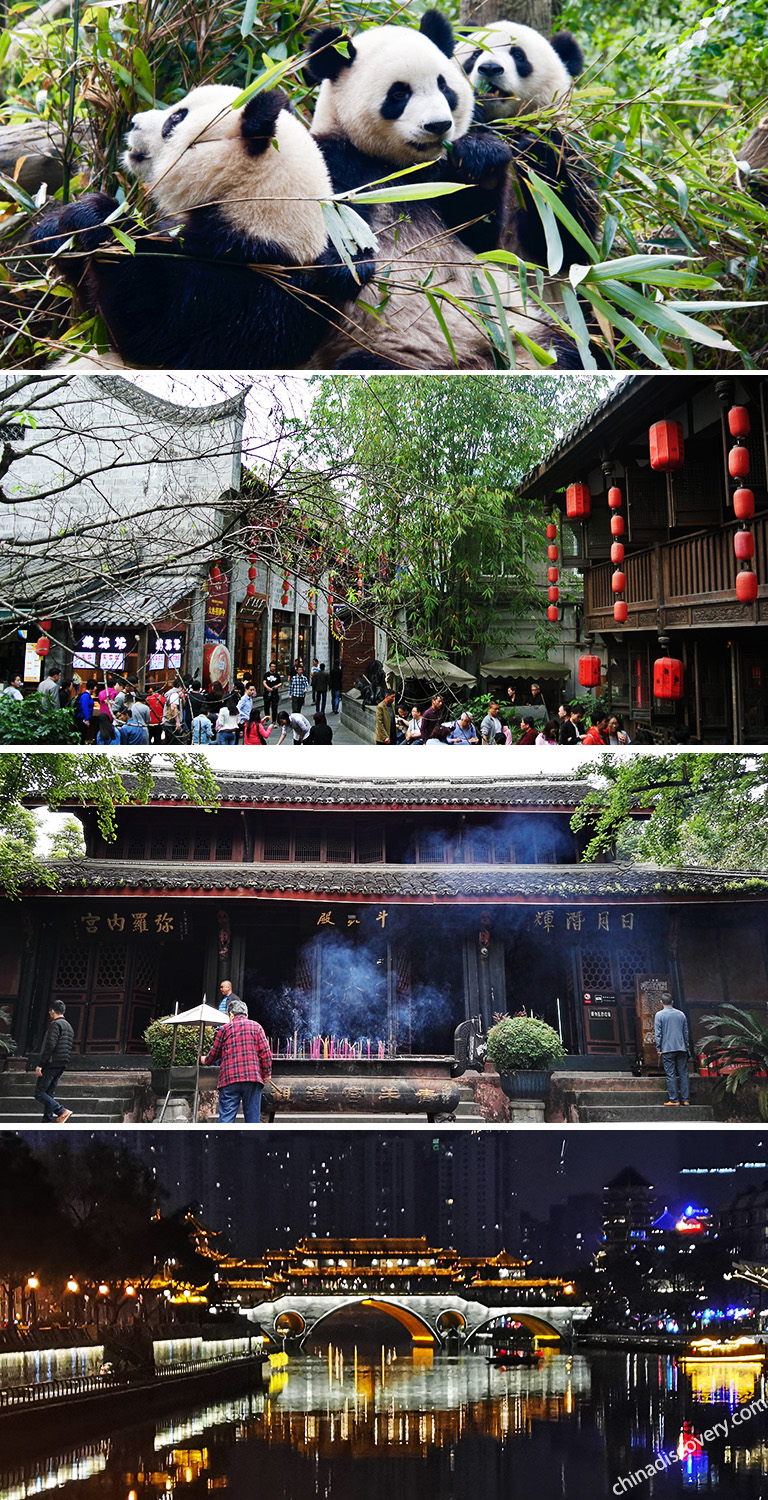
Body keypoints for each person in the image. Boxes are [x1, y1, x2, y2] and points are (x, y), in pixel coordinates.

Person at [201, 998, 272, 1123]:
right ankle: (252, 1142)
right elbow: (265, 1053)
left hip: (229, 1079)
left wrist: (204, 1060)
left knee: (226, 1120)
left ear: (231, 1014)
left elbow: (214, 1053)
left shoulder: (224, 1029)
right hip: (252, 1078)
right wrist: (267, 1074)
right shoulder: (257, 1027)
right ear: (246, 1014)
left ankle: (223, 1142)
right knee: (252, 1120)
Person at [34, 1000, 74, 1123]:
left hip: (52, 1062)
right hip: (62, 1063)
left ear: (52, 1011)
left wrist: (41, 1064)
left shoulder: (56, 1024)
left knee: (39, 1092)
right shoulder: (68, 1026)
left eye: (49, 1011)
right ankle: (47, 1120)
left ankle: (61, 1111)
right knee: (49, 1092)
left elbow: (50, 1044)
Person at [654, 995, 691, 1106]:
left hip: (667, 1048)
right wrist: (686, 1046)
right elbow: (686, 1033)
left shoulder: (659, 1015)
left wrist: (658, 1048)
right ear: (672, 1002)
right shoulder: (681, 1014)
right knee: (683, 1074)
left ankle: (674, 1099)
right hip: (681, 1047)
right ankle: (686, 1099)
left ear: (661, 1002)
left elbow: (658, 1034)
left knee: (671, 1074)